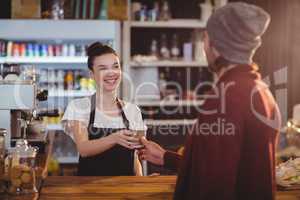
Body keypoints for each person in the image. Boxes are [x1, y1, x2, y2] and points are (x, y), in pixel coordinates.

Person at [138, 2, 281, 200]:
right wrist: (166, 158)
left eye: (205, 38)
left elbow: (214, 186)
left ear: (217, 46)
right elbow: (222, 166)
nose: (204, 47)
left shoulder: (227, 98)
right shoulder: (261, 90)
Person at [62, 42, 146, 176]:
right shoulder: (79, 107)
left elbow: (134, 158)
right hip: (90, 191)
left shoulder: (132, 110)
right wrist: (114, 139)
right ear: (92, 74)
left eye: (115, 66)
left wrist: (140, 183)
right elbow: (84, 148)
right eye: (102, 68)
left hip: (126, 191)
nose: (111, 73)